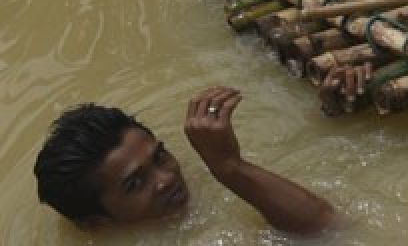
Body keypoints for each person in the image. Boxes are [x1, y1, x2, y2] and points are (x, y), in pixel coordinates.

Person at [33, 65, 372, 234]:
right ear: (95, 222)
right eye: (134, 184)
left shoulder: (197, 175)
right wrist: (229, 167)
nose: (166, 179)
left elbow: (316, 162)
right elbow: (328, 231)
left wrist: (333, 111)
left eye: (159, 157)